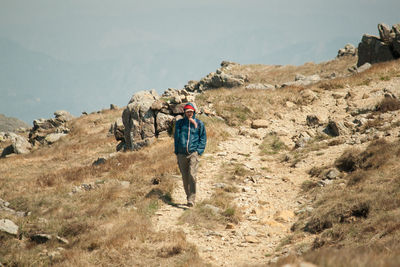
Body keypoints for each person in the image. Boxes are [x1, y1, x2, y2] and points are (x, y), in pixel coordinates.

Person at [174, 102, 207, 207]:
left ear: (194, 112)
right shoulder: (180, 123)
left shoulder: (199, 124)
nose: (189, 114)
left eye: (191, 112)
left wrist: (199, 151)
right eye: (188, 112)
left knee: (192, 175)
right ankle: (188, 197)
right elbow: (176, 138)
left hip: (193, 153)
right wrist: (177, 151)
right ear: (185, 112)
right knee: (185, 177)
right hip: (181, 154)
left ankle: (192, 199)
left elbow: (203, 138)